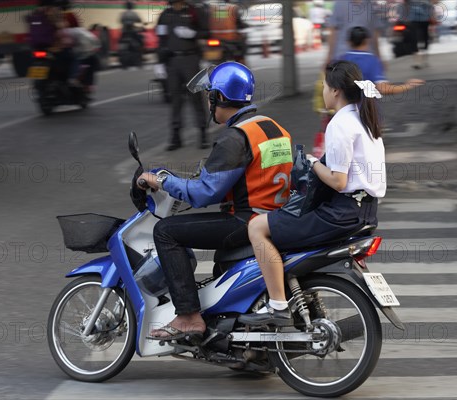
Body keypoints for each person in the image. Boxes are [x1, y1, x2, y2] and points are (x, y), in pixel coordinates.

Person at [135, 62, 294, 340]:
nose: (209, 104)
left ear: (219, 98)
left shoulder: (235, 138)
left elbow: (205, 193)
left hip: (247, 221)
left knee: (166, 231)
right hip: (275, 217)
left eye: (210, 96)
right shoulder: (273, 128)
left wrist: (161, 180)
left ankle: (187, 316)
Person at [240, 60, 385, 326]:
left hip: (340, 212)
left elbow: (339, 181)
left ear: (336, 91)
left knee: (257, 228)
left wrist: (313, 163)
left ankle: (278, 306)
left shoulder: (340, 124)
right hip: (364, 212)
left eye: (324, 87)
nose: (322, 92)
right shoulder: (364, 119)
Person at [156, 0, 210, 151]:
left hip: (190, 59)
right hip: (172, 61)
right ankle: (175, 136)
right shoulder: (165, 15)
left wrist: (193, 34)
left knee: (196, 98)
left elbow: (207, 32)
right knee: (175, 100)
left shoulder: (194, 11)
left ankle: (203, 133)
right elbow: (161, 40)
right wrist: (159, 62)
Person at [340, 26, 424, 96]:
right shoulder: (372, 60)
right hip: (365, 111)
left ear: (349, 42)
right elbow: (384, 89)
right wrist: (407, 85)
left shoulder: (340, 60)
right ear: (367, 41)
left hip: (343, 111)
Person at [324, 0, 382, 67]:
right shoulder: (339, 4)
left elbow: (375, 33)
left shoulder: (371, 6)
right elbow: (333, 31)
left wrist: (379, 57)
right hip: (342, 58)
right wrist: (329, 57)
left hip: (367, 57)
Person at [404, 0, 434, 69]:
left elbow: (431, 5)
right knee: (414, 39)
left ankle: (424, 60)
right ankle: (417, 62)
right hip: (413, 20)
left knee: (425, 39)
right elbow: (406, 5)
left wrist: (432, 16)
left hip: (425, 20)